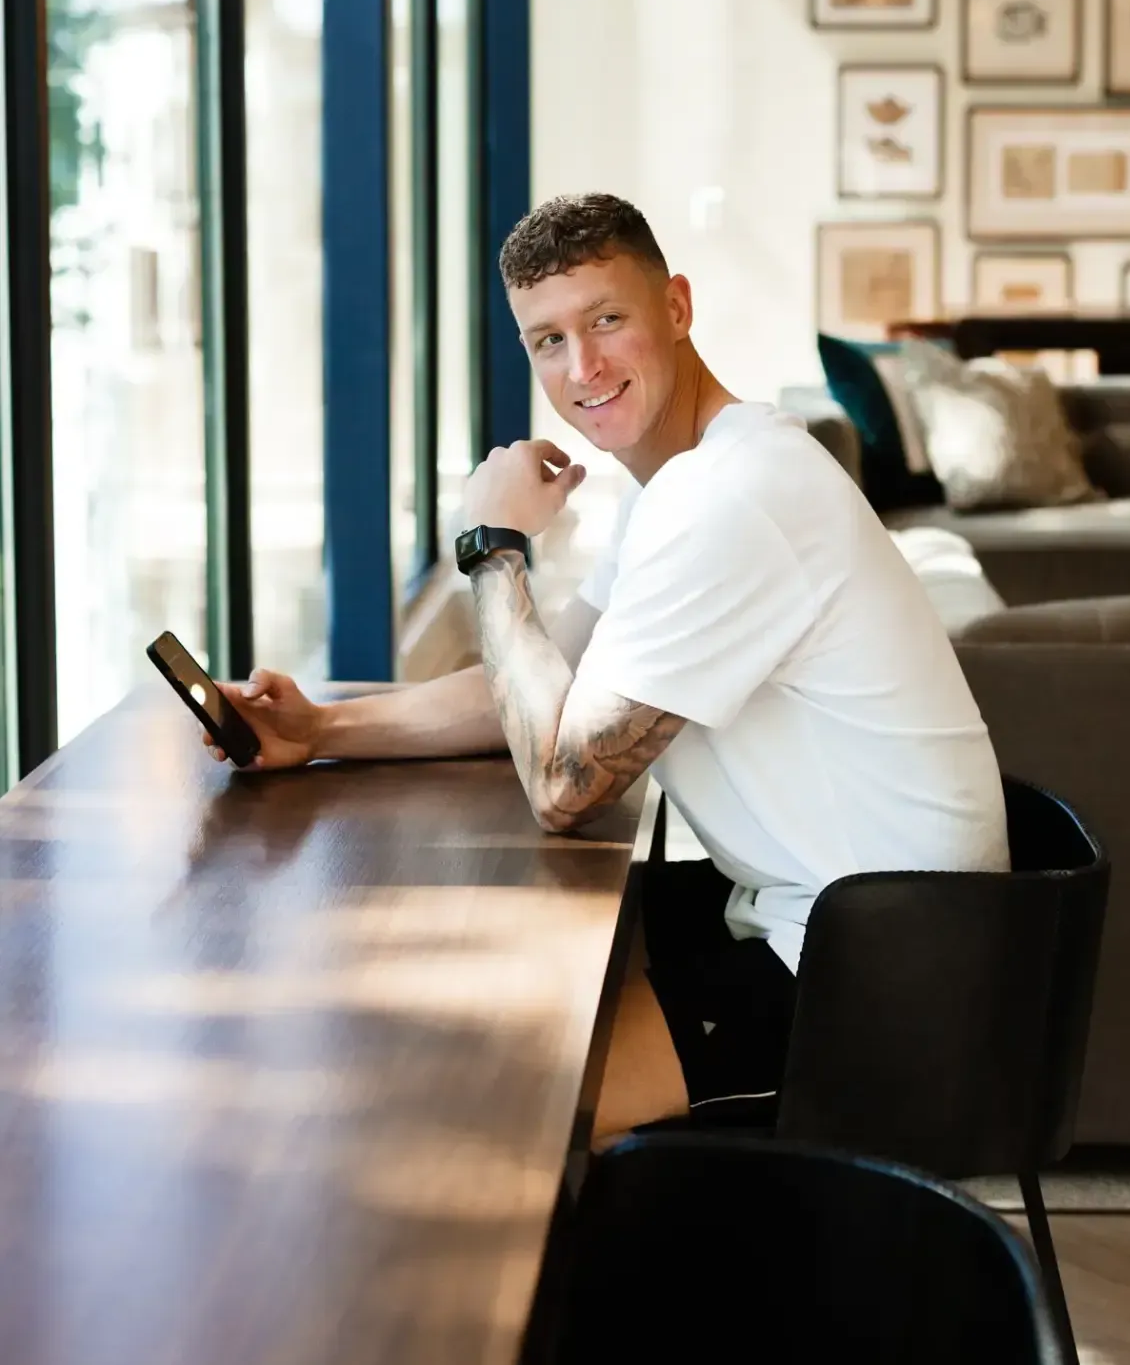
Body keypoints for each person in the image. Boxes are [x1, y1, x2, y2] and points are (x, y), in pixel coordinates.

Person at [208, 192, 1009, 1134]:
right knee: (474, 993)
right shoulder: (684, 483)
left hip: (884, 981)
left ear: (676, 306)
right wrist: (322, 729)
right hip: (825, 916)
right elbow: (551, 684)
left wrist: (493, 547)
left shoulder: (734, 498)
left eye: (607, 320)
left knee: (502, 1122)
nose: (582, 367)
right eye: (547, 340)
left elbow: (561, 781)